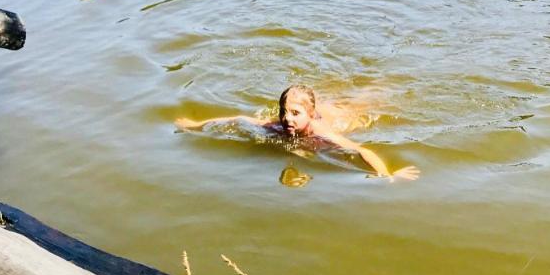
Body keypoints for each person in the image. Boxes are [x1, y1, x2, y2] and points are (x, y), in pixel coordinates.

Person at [174, 84, 420, 181]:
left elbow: (361, 150)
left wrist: (387, 174)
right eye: (284, 111)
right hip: (317, 111)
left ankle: (379, 87)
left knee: (362, 102)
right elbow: (239, 118)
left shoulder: (323, 132)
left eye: (294, 113)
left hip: (339, 116)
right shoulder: (277, 126)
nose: (286, 118)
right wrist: (196, 125)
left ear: (309, 114)